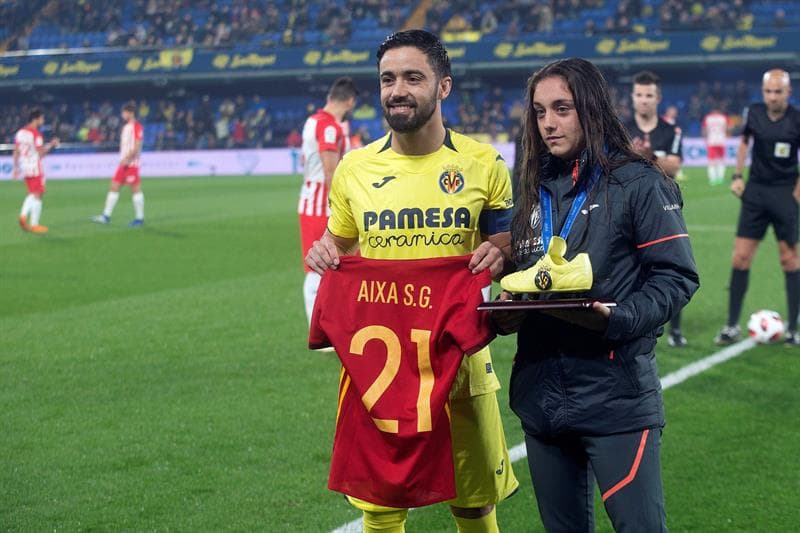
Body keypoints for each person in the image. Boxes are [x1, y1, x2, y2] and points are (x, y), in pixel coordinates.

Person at [305, 29, 518, 533]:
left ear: (443, 86)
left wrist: (506, 252)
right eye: (387, 79)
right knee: (379, 507)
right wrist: (325, 250)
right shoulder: (355, 169)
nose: (397, 89)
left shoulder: (483, 163)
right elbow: (341, 243)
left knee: (474, 504)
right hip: (381, 366)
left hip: (459, 361)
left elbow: (510, 248)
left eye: (412, 77)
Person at [495, 58, 698, 532]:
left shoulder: (640, 182)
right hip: (541, 398)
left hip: (616, 398)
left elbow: (676, 278)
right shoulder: (530, 191)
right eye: (540, 110)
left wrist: (618, 318)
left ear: (591, 108)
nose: (548, 122)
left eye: (562, 108)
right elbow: (537, 276)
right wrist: (508, 310)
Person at [715, 69, 800, 346]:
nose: (772, 97)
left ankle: (793, 330)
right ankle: (731, 326)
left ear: (788, 92)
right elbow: (743, 142)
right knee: (740, 258)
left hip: (785, 191)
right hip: (757, 191)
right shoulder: (754, 113)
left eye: (778, 91)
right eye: (768, 91)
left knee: (789, 259)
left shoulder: (796, 118)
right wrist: (738, 176)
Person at [627, 70, 688, 347]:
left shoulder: (670, 130)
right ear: (633, 97)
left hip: (665, 207)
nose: (644, 101)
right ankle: (635, 323)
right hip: (628, 208)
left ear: (658, 98)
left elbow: (674, 165)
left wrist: (644, 156)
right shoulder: (621, 128)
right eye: (639, 95)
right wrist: (652, 160)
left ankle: (675, 330)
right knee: (630, 268)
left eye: (649, 95)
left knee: (670, 268)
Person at [298, 77, 358, 326]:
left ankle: (331, 320)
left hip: (310, 199)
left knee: (331, 261)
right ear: (350, 102)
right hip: (321, 205)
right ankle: (319, 328)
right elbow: (330, 171)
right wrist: (339, 205)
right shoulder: (329, 127)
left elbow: (305, 162)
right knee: (319, 262)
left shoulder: (312, 121)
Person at [92, 102, 145, 227]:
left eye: (124, 113)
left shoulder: (137, 127)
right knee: (114, 186)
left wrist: (127, 158)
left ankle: (140, 218)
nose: (122, 115)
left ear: (130, 113)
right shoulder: (126, 127)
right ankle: (106, 216)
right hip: (123, 164)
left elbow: (137, 146)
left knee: (135, 189)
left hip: (131, 164)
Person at [13, 108, 59, 234]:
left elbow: (16, 150)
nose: (43, 121)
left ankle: (31, 222)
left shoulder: (20, 132)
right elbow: (41, 153)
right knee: (37, 193)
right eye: (42, 118)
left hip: (24, 166)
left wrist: (15, 167)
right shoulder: (36, 134)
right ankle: (29, 220)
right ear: (36, 119)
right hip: (35, 166)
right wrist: (52, 145)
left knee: (34, 193)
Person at [703, 108, 731, 185]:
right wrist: (727, 134)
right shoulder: (723, 118)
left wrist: (705, 138)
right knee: (721, 160)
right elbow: (729, 128)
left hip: (711, 141)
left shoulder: (708, 118)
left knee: (711, 161)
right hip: (721, 141)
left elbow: (704, 129)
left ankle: (712, 179)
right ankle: (720, 178)